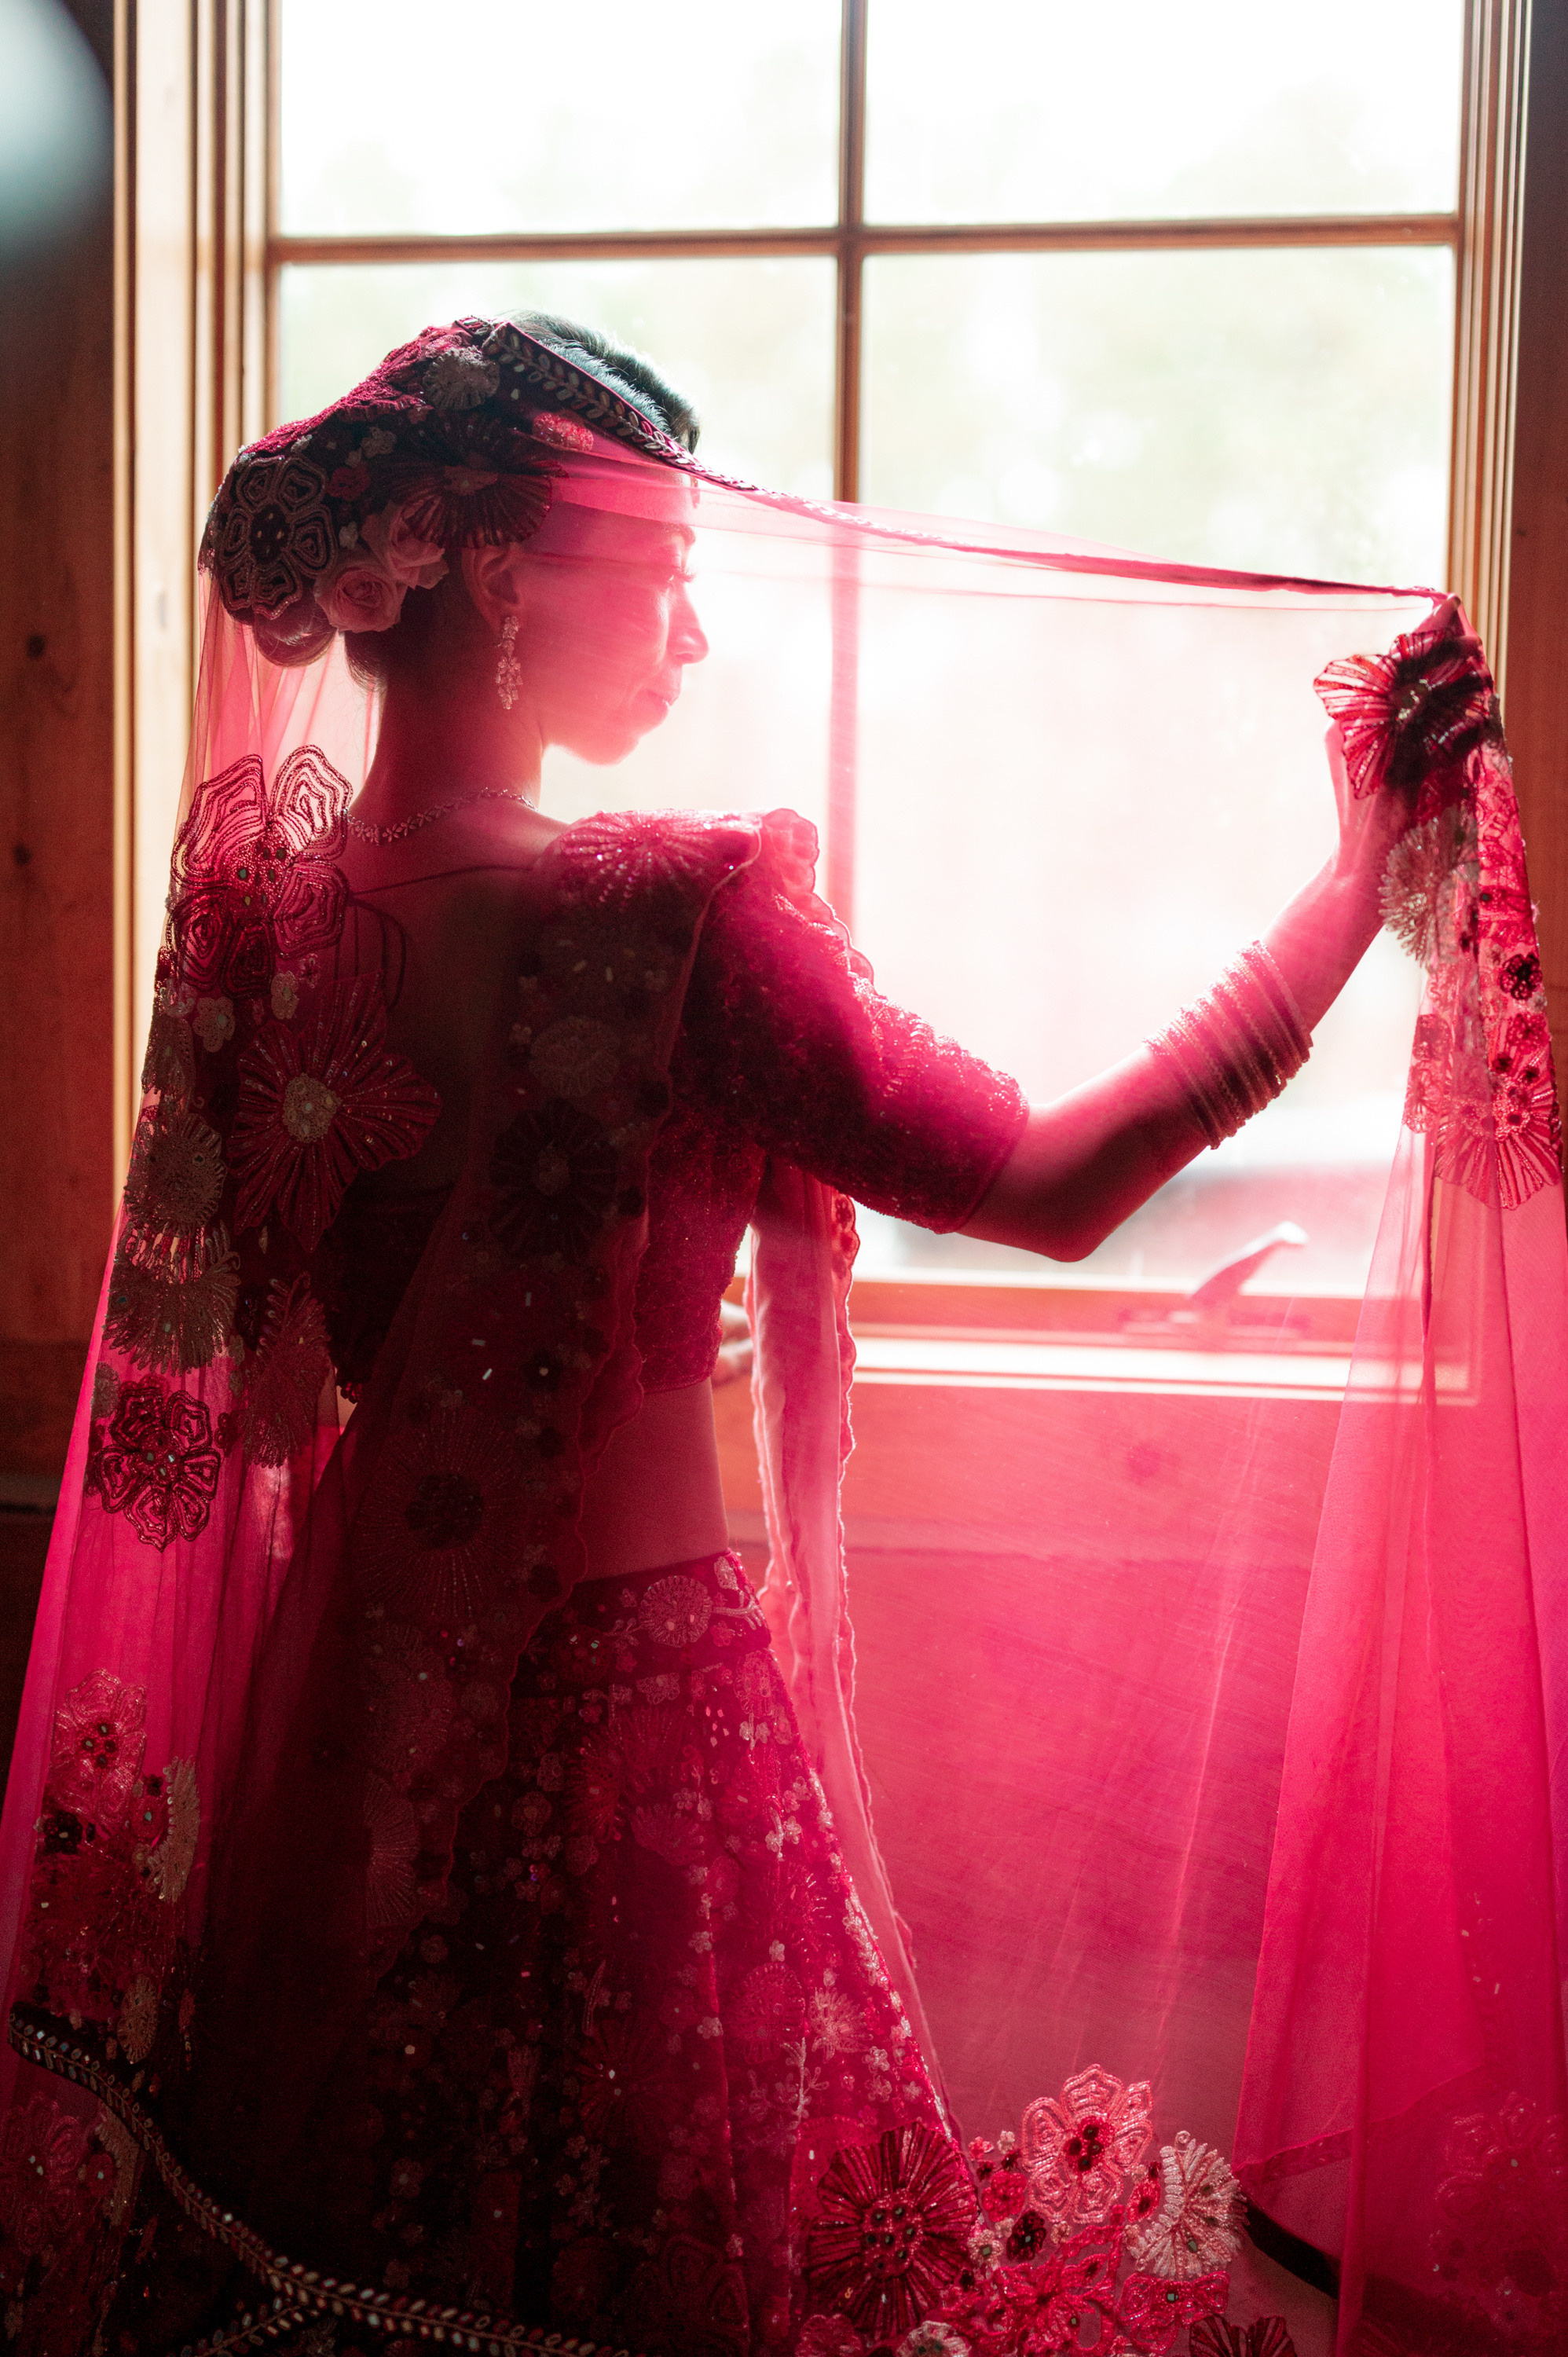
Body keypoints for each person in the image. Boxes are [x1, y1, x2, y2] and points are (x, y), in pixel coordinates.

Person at [0, 313, 1541, 2357]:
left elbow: (285, 1349)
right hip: (638, 1761)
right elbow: (1045, 1184)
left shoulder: (251, 920)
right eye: (661, 564)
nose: (696, 631)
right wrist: (1348, 893)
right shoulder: (664, 923)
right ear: (495, 569)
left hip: (347, 1745)